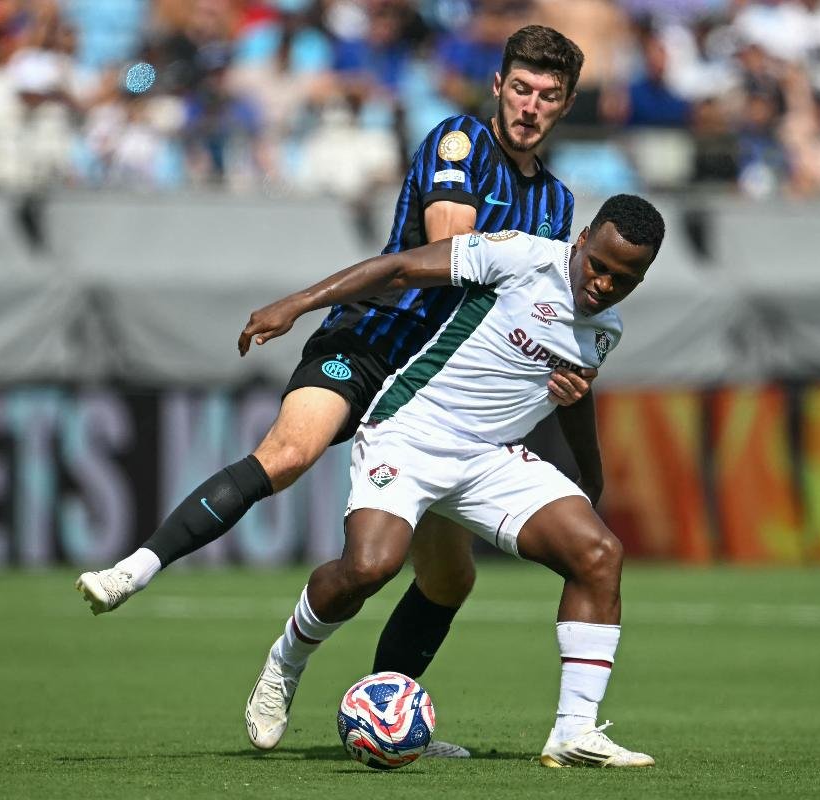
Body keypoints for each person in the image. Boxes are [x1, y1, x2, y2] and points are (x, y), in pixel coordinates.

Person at [77, 25, 593, 755]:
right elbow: (445, 252)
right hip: (375, 338)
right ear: (498, 87)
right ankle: (137, 569)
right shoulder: (459, 143)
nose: (530, 106)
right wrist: (298, 303)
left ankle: (390, 713)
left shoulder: (558, 204)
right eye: (520, 89)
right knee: (289, 454)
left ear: (565, 105)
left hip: (441, 394)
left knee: (448, 580)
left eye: (547, 96)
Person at [240, 194, 664, 767]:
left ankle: (573, 731)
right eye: (600, 265)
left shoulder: (604, 329)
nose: (605, 285)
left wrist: (591, 474)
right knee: (369, 567)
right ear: (583, 237)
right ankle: (284, 663)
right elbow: (398, 267)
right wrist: (296, 304)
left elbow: (574, 395)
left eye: (625, 278)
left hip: (489, 459)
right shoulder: (520, 257)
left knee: (598, 552)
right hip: (411, 432)